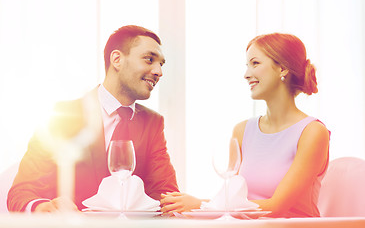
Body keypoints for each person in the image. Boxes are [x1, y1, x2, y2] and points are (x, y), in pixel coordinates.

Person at [7, 25, 179, 212]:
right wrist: (43, 207)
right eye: (149, 59)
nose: (158, 72)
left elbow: (166, 195)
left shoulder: (153, 123)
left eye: (161, 64)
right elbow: (22, 192)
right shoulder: (62, 116)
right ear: (117, 59)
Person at [160, 33, 330, 218]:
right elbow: (231, 199)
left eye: (255, 63)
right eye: (247, 65)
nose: (246, 74)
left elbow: (276, 206)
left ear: (282, 68)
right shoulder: (242, 131)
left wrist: (199, 204)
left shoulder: (313, 132)